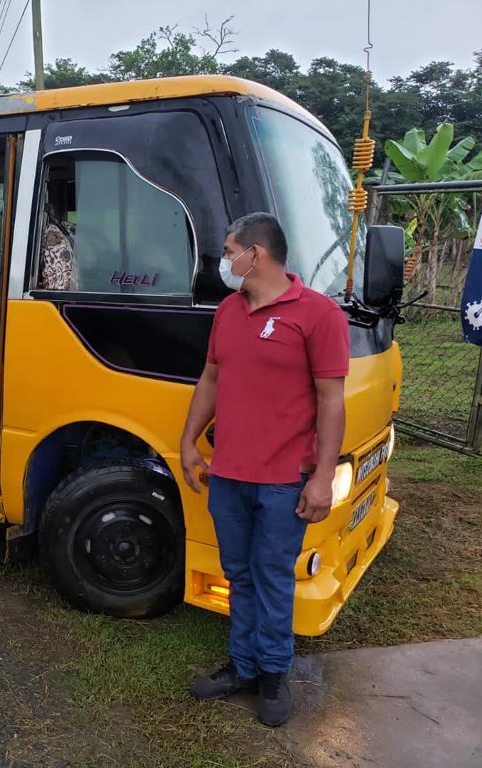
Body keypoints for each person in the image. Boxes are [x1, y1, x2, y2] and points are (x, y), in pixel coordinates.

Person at [180, 212, 349, 727]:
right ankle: (243, 666)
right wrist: (188, 441)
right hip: (228, 475)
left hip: (284, 481)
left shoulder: (318, 315)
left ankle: (274, 676)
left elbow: (332, 400)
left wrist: (322, 476)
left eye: (230, 251)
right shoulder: (228, 311)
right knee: (238, 575)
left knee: (272, 576)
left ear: (258, 253)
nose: (224, 261)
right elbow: (210, 378)